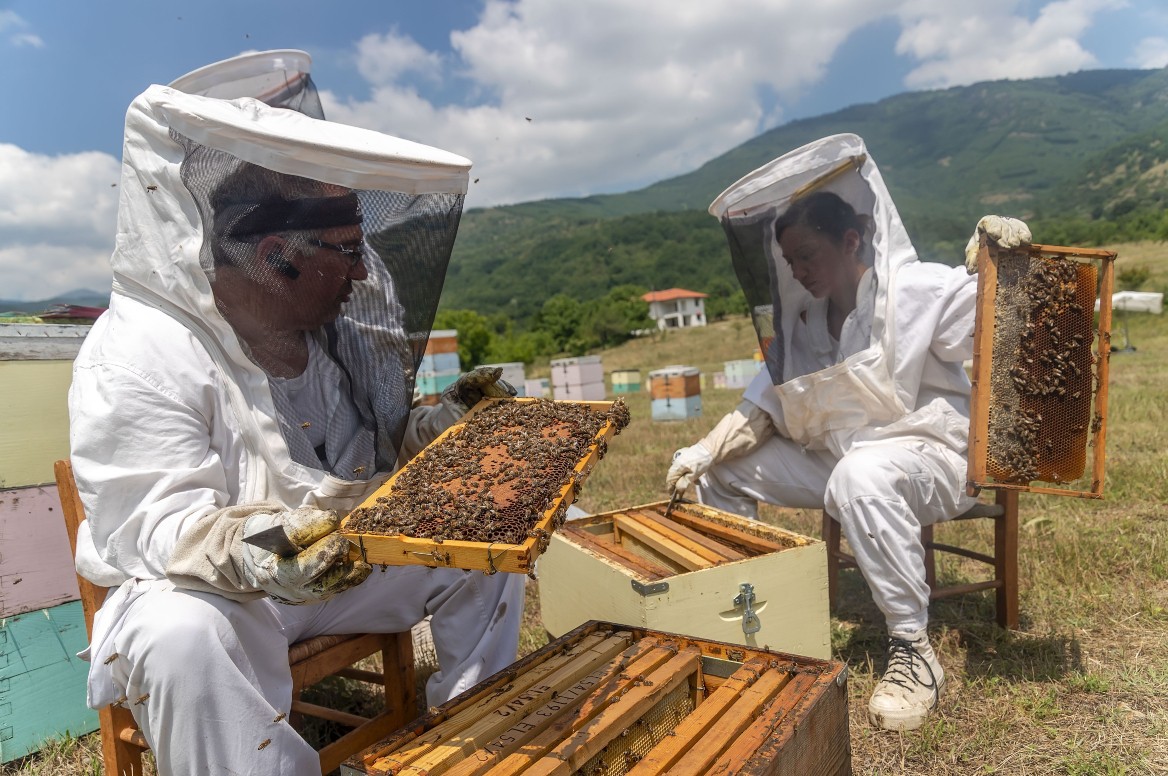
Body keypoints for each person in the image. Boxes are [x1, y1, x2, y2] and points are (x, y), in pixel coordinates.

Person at [68, 78, 523, 775]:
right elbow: (154, 526)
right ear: (276, 255)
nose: (362, 272)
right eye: (345, 250)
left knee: (483, 546)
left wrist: (444, 425)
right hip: (220, 596)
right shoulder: (140, 352)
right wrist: (255, 550)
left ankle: (481, 738)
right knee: (180, 635)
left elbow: (369, 450)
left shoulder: (331, 337)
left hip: (338, 567)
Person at [667, 133, 1030, 732]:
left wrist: (1007, 271)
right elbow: (763, 407)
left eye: (808, 254)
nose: (800, 271)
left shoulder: (914, 292)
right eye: (791, 262)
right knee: (725, 472)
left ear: (852, 240)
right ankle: (751, 612)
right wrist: (703, 452)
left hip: (935, 460)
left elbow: (1005, 327)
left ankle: (913, 649)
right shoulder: (804, 324)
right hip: (842, 462)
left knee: (860, 476)